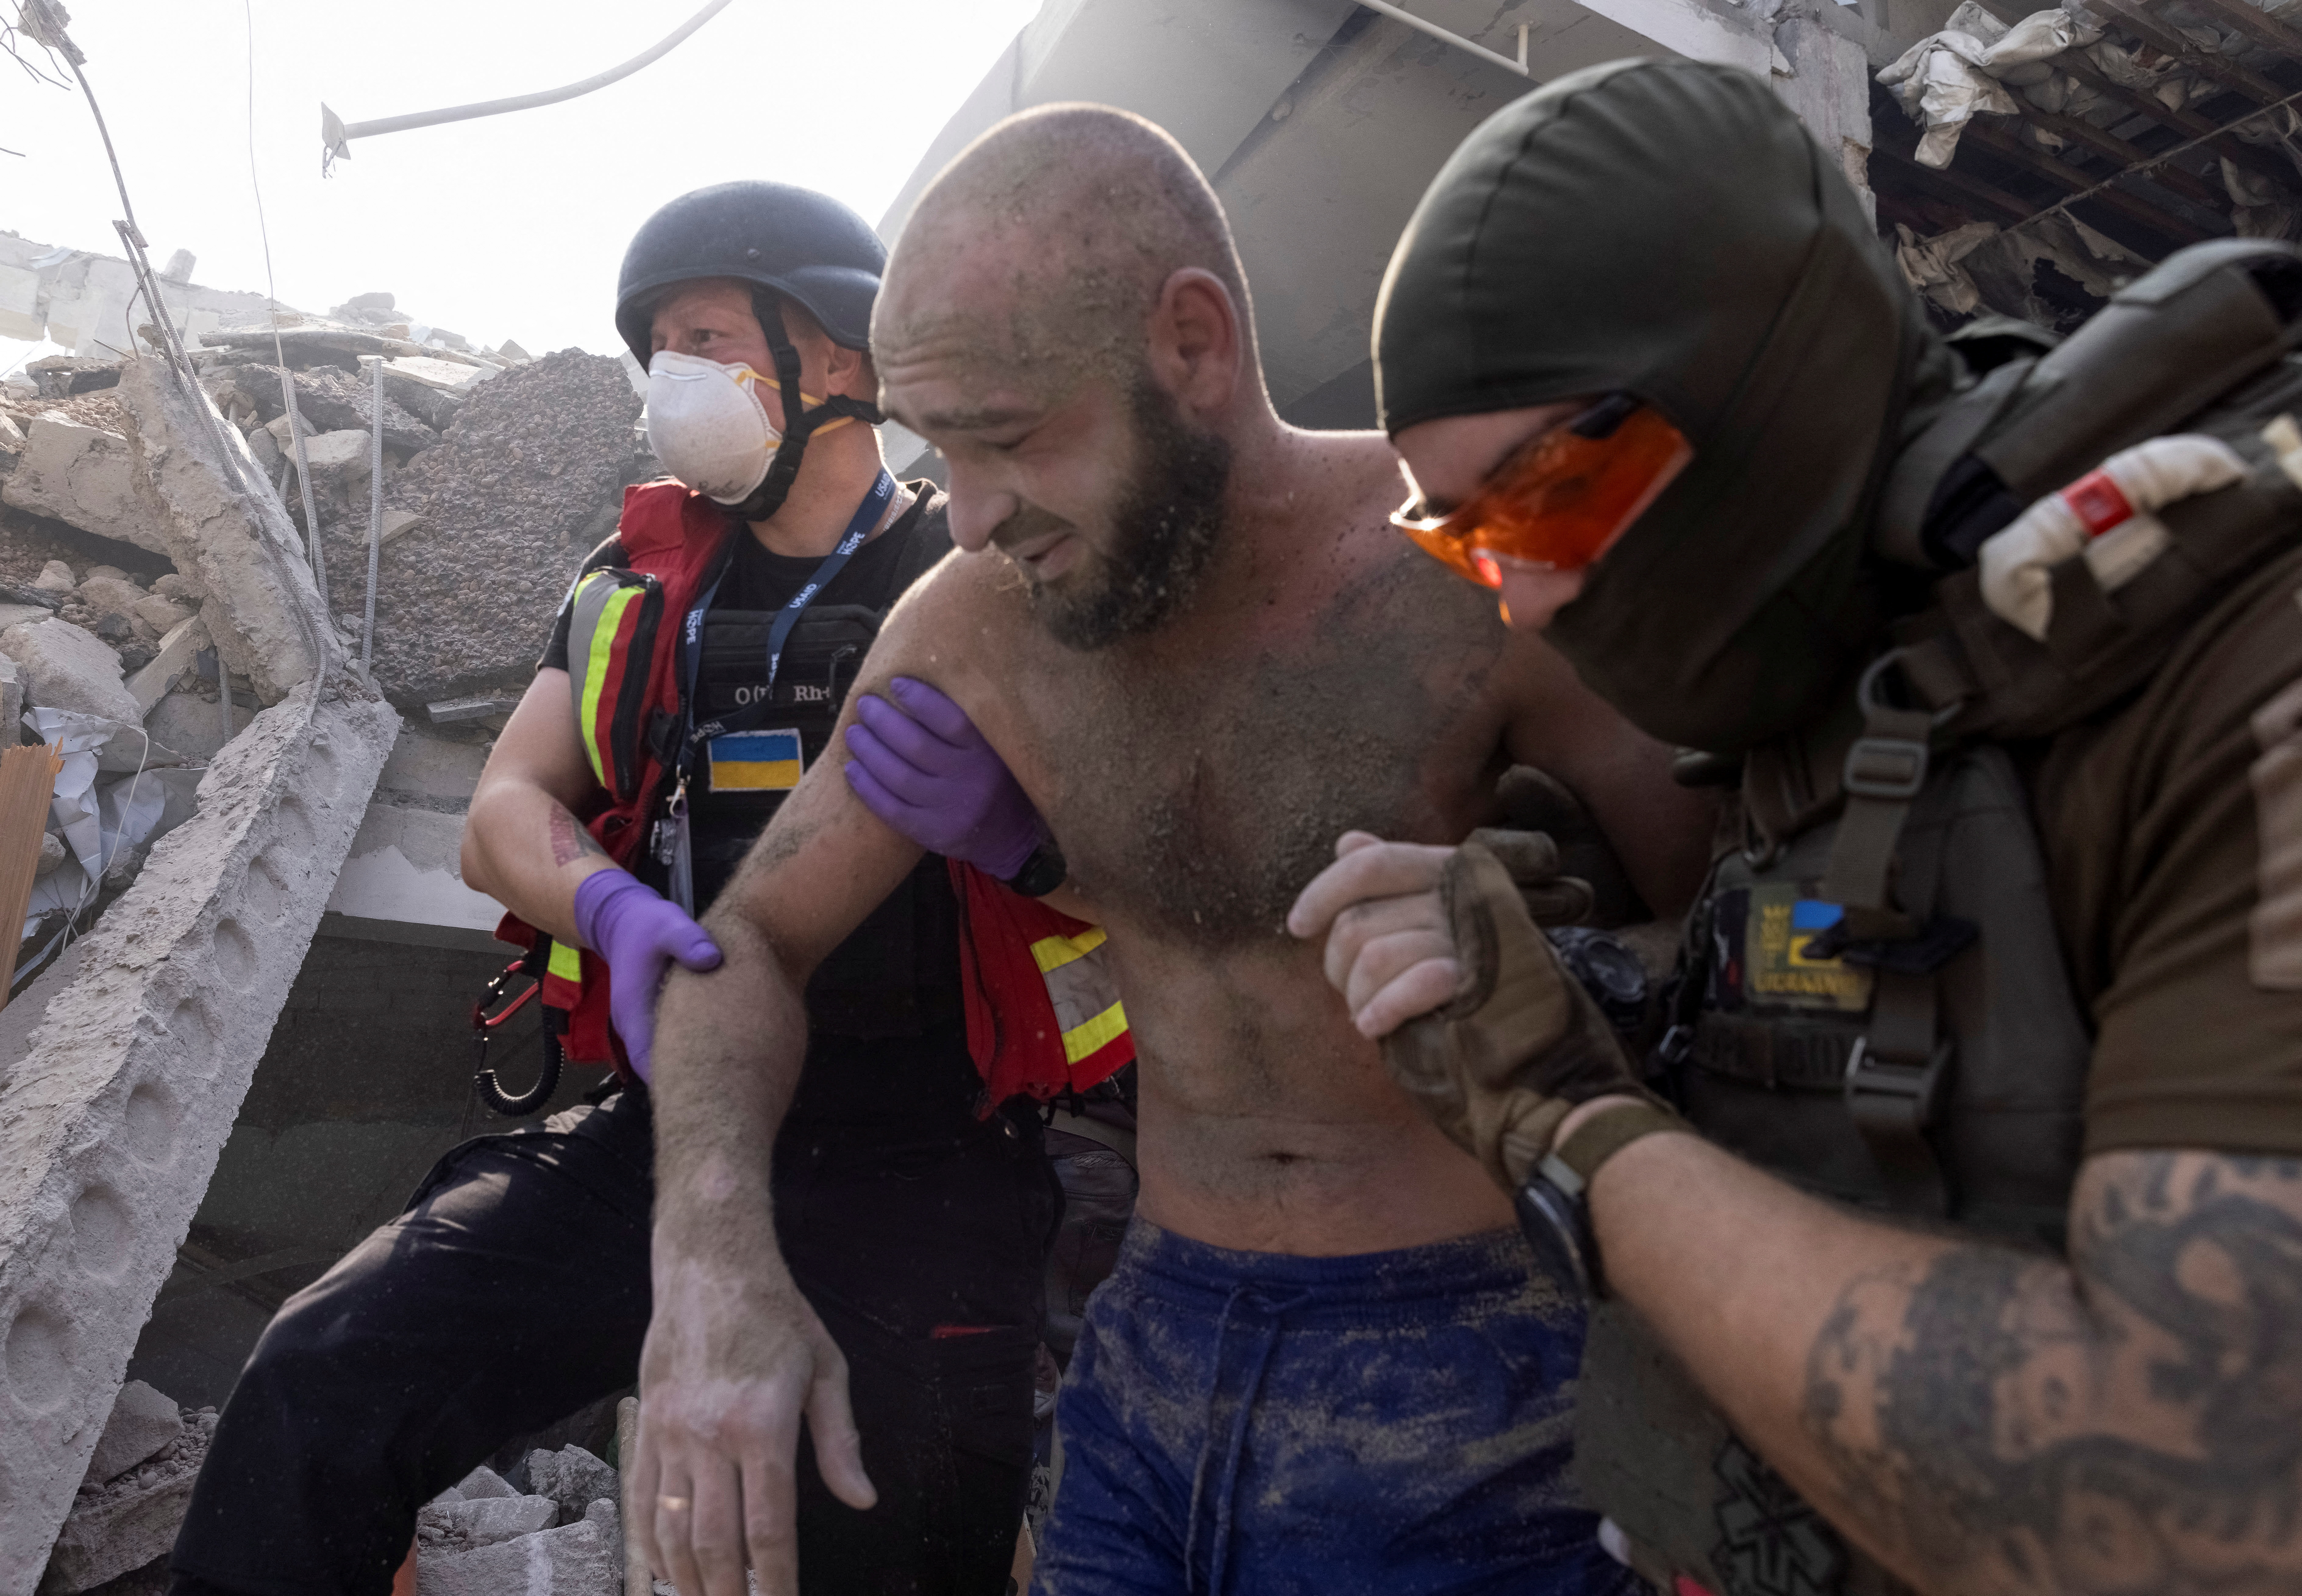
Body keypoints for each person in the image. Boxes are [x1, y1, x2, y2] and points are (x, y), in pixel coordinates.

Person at [626, 104, 1716, 1596]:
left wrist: (1563, 964)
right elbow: (746, 939)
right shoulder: (967, 621)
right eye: (942, 448)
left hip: (1490, 1360)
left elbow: (1756, 926)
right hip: (1148, 1348)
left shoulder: (1483, 541)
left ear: (1192, 344)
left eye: (1007, 438)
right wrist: (709, 1271)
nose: (974, 512)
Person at [1288, 59, 2302, 1596]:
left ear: (1762, 381)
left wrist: (1571, 1130)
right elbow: (1852, 962)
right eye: (1471, 538)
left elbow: (2204, 1507)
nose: (1532, 597)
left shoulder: (2231, 650)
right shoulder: (1852, 673)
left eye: (1551, 496)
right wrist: (1610, 981)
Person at [169, 180, 1096, 1596]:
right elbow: (503, 811)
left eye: (708, 333)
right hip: (668, 1136)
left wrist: (1033, 835)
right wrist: (609, 908)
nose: (672, 375)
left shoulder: (980, 575)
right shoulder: (631, 585)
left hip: (927, 1164)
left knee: (885, 1537)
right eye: (656, 341)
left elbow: (1183, 857)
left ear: (836, 357)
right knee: (326, 1374)